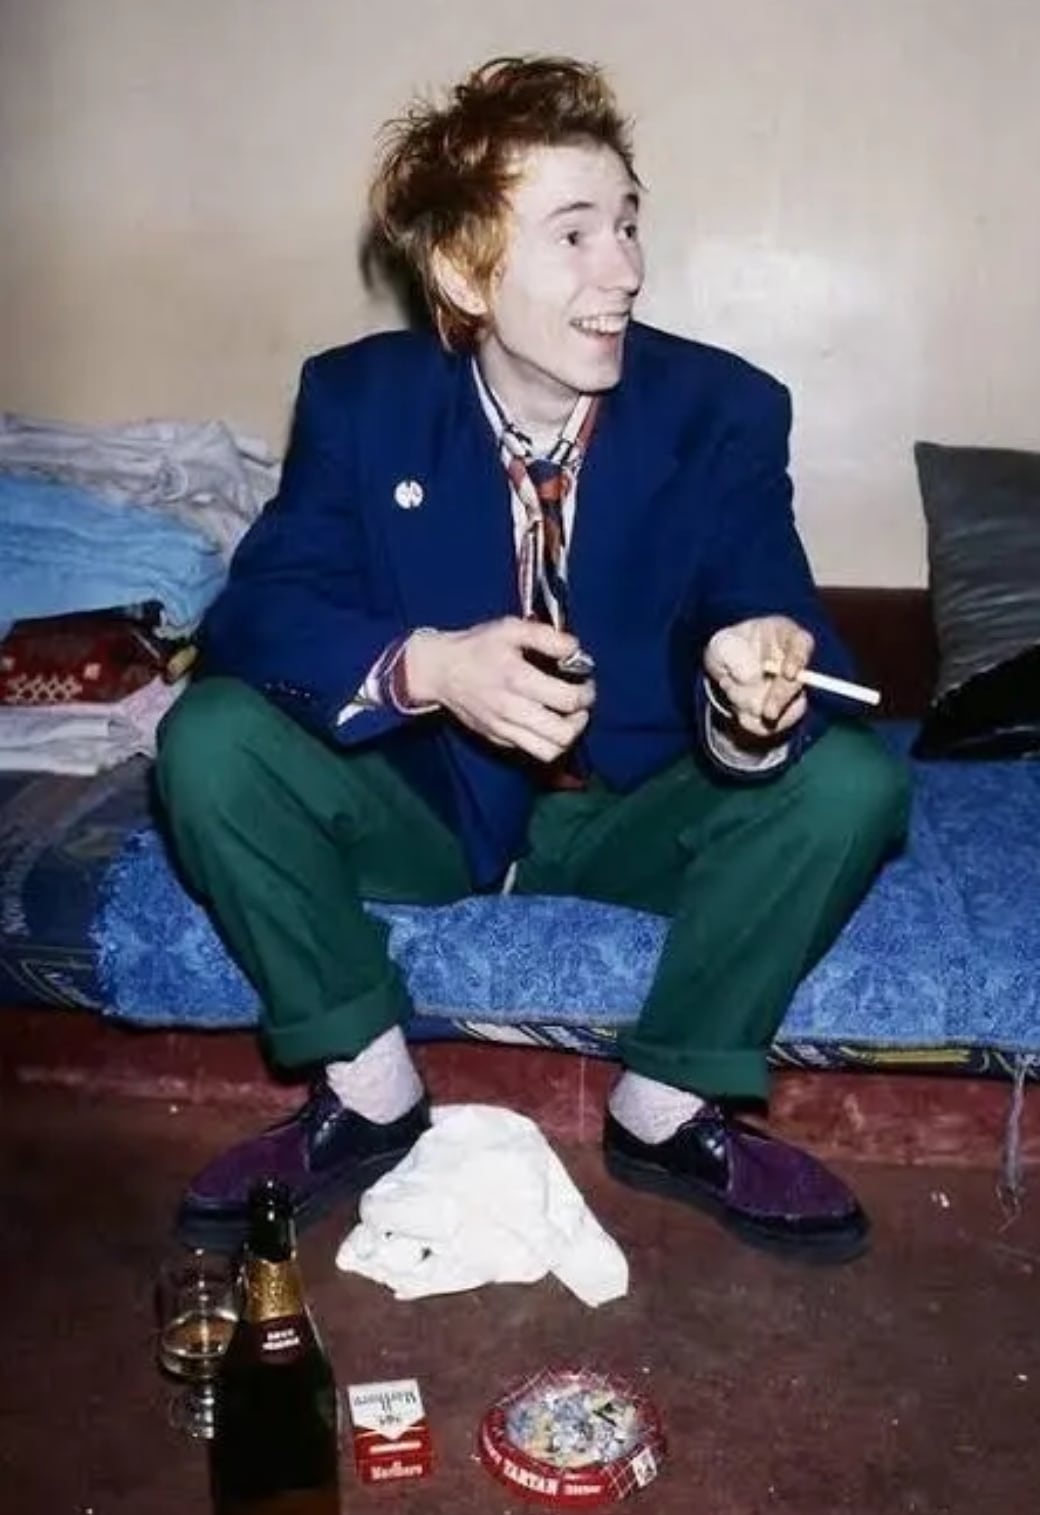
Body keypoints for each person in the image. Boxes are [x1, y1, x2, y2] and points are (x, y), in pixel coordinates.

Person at [156, 55, 909, 1265]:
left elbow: (763, 596)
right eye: (573, 234)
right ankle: (367, 1088)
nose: (624, 269)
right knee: (206, 739)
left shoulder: (722, 406)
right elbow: (259, 610)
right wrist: (427, 666)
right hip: (430, 801)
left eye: (626, 224)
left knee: (854, 780)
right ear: (465, 272)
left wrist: (750, 683)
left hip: (639, 807)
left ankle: (668, 1108)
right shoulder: (358, 401)